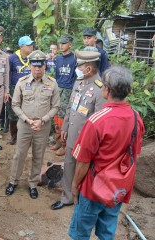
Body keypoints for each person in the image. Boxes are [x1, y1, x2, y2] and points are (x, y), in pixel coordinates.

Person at [68, 66, 145, 239]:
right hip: (118, 188)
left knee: (80, 233)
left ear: (107, 90)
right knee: (107, 233)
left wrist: (74, 185)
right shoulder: (135, 117)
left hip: (92, 188)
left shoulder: (97, 120)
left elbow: (83, 161)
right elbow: (135, 152)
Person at [51, 50, 106, 210]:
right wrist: (65, 127)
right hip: (71, 134)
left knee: (85, 169)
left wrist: (86, 140)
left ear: (89, 69)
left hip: (86, 139)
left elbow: (98, 122)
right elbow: (70, 107)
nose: (77, 68)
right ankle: (67, 196)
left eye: (79, 66)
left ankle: (82, 197)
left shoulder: (100, 89)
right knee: (69, 165)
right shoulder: (79, 82)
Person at [5, 50, 60, 199]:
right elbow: (15, 104)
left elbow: (55, 106)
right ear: (30, 66)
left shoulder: (52, 83)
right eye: (34, 66)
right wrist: (27, 119)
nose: (37, 69)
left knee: (38, 155)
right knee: (19, 154)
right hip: (25, 125)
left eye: (40, 66)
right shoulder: (22, 82)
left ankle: (33, 184)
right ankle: (13, 181)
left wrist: (42, 120)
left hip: (43, 126)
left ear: (44, 66)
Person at [51, 34, 77, 156]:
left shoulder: (74, 59)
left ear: (70, 44)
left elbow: (76, 77)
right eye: (60, 43)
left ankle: (65, 144)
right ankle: (57, 140)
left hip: (68, 90)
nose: (61, 45)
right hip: (58, 88)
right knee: (55, 114)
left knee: (64, 117)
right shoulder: (58, 59)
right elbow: (56, 75)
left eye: (64, 43)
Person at [7, 36, 34, 145]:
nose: (32, 46)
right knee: (14, 113)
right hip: (15, 88)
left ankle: (28, 137)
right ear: (22, 46)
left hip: (30, 87)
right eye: (29, 45)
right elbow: (7, 74)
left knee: (29, 111)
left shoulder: (33, 57)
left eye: (32, 44)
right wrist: (7, 89)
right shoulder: (12, 58)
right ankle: (14, 136)